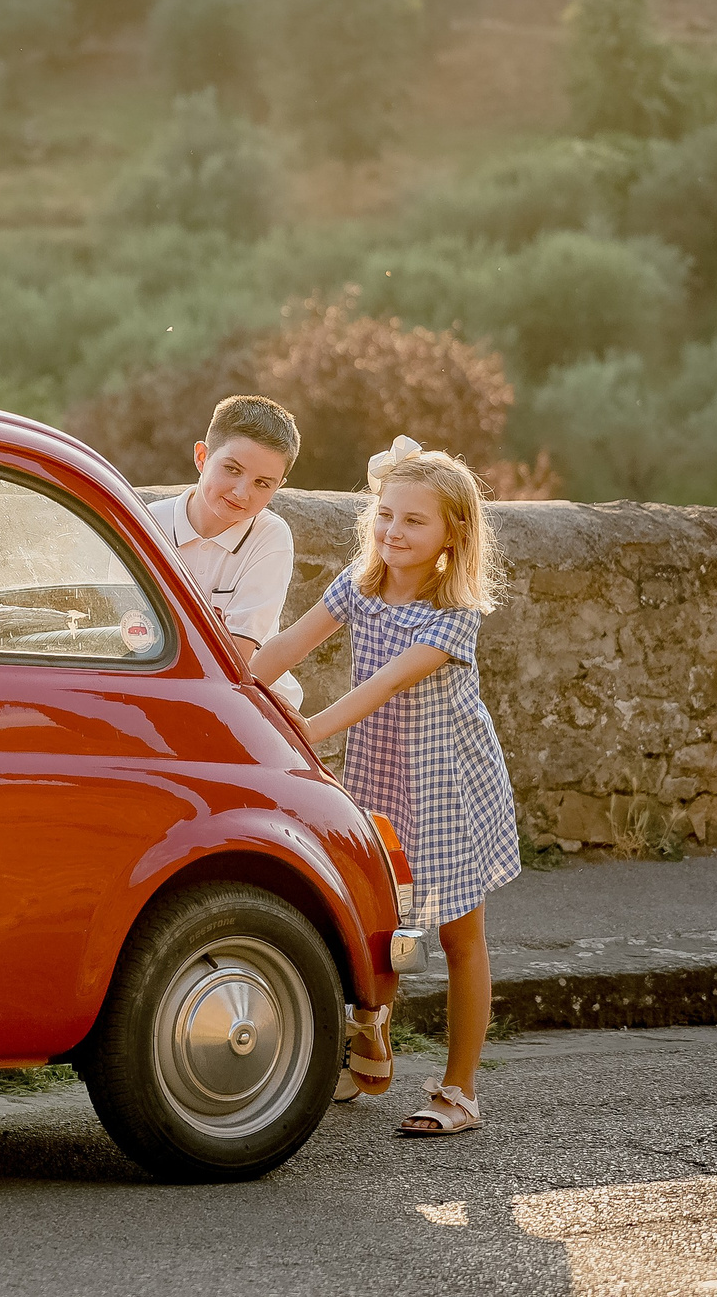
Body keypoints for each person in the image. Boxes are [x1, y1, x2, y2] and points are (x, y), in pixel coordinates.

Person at [249, 436, 519, 1137]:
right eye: (385, 515)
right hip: (377, 773)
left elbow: (383, 685)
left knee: (461, 936)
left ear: (452, 535)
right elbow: (282, 648)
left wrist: (304, 731)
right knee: (372, 923)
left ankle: (460, 1089)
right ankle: (368, 1039)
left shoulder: (453, 614)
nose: (393, 532)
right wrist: (232, 684)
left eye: (413, 521)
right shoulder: (358, 585)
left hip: (446, 785)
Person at [146, 395, 304, 710]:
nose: (242, 492)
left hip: (249, 703)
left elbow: (234, 658)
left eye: (262, 483)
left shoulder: (270, 537)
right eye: (232, 469)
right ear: (202, 457)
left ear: (279, 486)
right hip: (158, 691)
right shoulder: (148, 523)